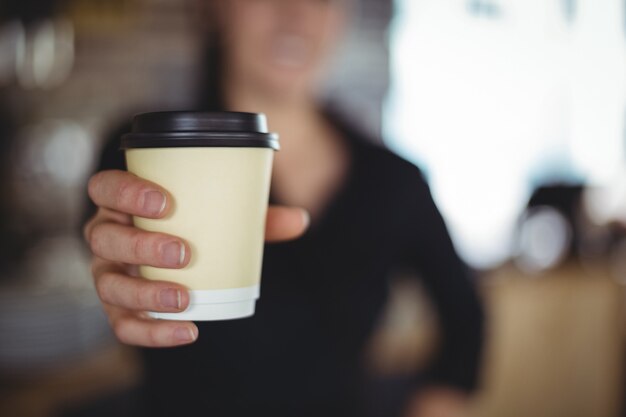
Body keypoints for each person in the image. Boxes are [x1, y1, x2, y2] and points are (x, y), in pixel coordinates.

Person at [84, 1, 484, 416]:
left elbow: (466, 321)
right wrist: (120, 263)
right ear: (215, 9)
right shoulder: (143, 156)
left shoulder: (392, 179)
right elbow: (108, 250)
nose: (297, 14)